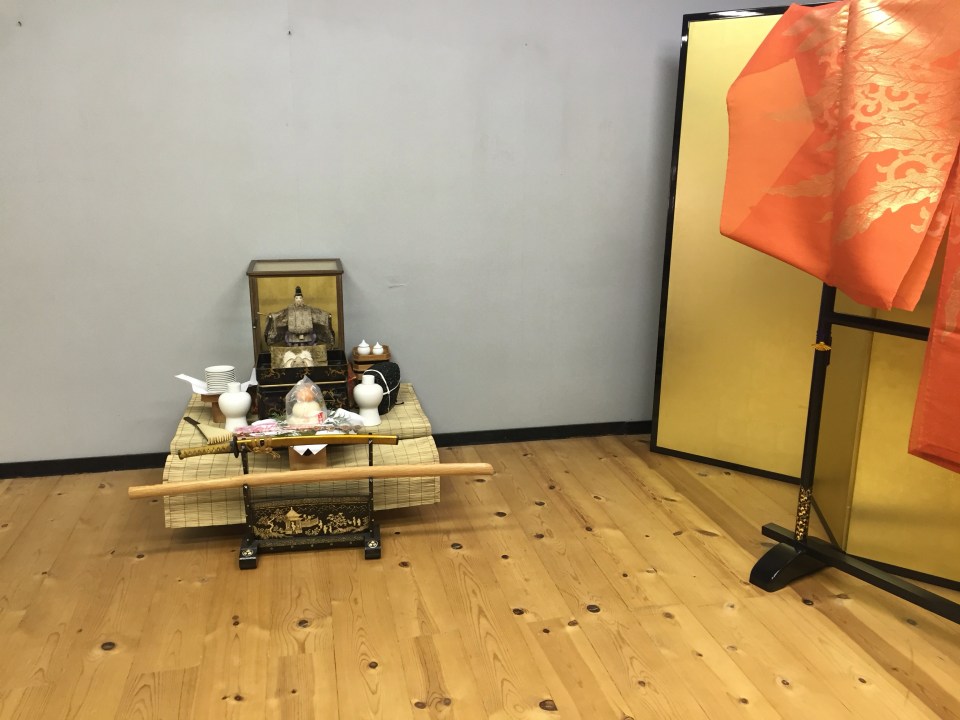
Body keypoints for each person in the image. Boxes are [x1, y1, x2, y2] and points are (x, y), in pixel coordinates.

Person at [264, 286, 335, 347]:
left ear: (302, 299)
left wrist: (326, 315)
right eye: (297, 298)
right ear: (294, 299)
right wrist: (272, 316)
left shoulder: (308, 308)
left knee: (309, 343)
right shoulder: (290, 309)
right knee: (293, 346)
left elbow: (318, 313)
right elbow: (281, 314)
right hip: (293, 334)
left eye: (300, 298)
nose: (298, 300)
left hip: (307, 334)